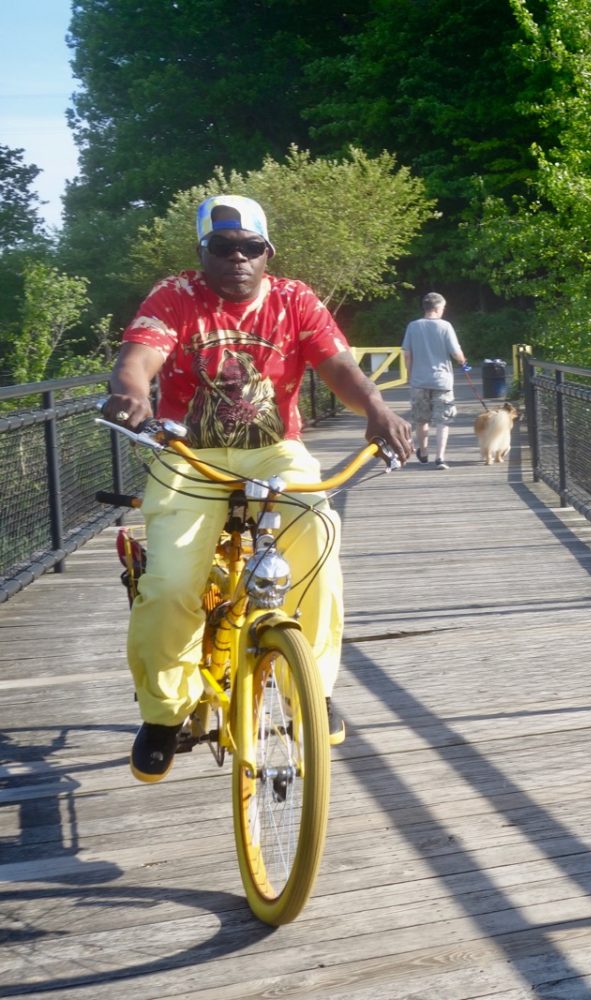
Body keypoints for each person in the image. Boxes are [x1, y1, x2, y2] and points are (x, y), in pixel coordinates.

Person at [103, 194, 413, 783]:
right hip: (187, 452)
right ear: (203, 252)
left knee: (319, 532)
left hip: (273, 450)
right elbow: (138, 357)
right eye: (222, 248)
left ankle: (311, 693)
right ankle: (165, 713)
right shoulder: (175, 296)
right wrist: (133, 391)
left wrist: (375, 406)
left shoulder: (295, 299)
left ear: (267, 252)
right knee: (170, 583)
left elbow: (339, 365)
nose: (237, 259)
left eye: (251, 248)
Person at [401, 292, 467, 469]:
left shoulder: (413, 326)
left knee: (421, 419)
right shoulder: (445, 326)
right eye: (443, 308)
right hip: (442, 381)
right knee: (442, 420)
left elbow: (407, 353)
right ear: (438, 308)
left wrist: (410, 374)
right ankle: (440, 457)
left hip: (418, 381)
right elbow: (455, 352)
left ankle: (423, 451)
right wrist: (462, 361)